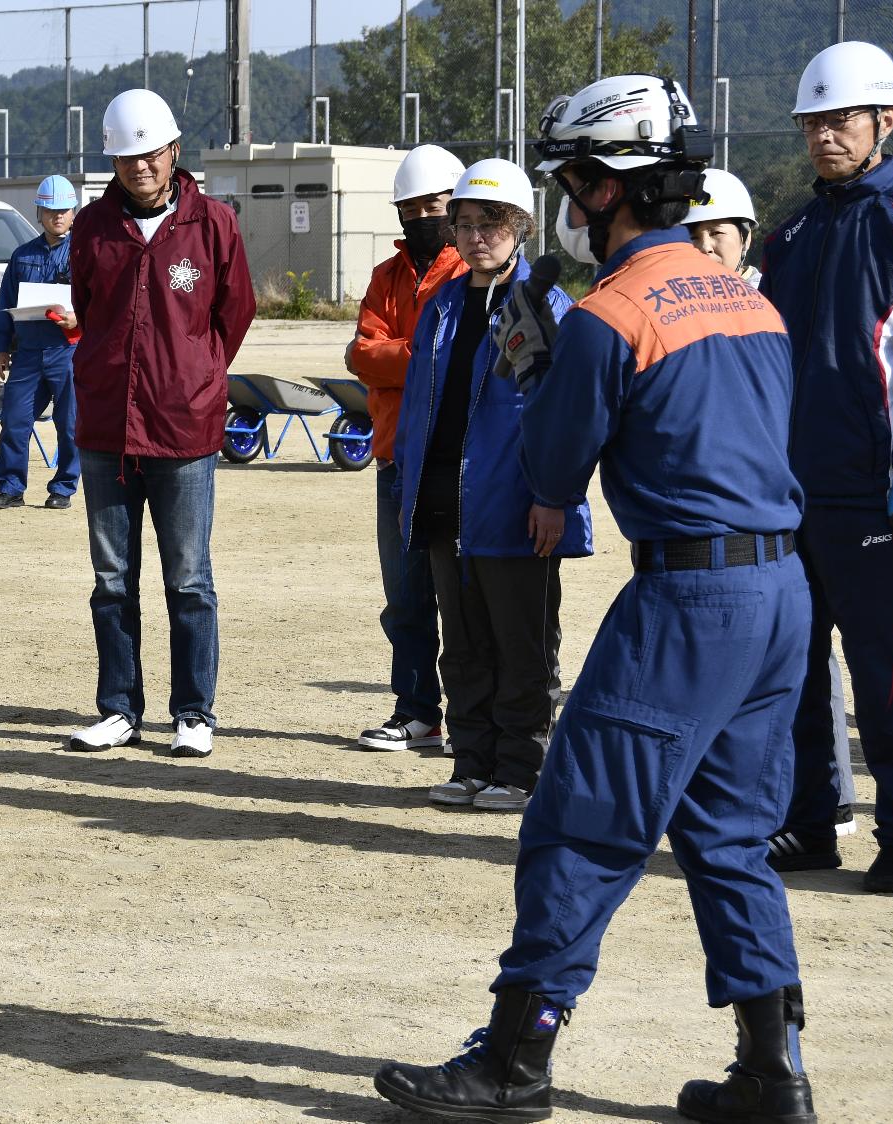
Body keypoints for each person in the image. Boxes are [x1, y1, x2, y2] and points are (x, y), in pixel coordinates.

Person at [375, 74, 818, 1123]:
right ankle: (771, 1066)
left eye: (573, 183)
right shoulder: (746, 294)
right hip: (778, 591)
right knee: (727, 838)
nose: (568, 206)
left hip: (687, 600)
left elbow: (549, 471)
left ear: (603, 186)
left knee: (576, 823)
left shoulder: (605, 314)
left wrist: (530, 374)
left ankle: (513, 1059)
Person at [63, 88, 254, 759]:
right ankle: (119, 709)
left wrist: (194, 374)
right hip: (107, 429)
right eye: (126, 156)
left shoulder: (214, 225)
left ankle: (193, 713)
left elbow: (236, 311)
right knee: (111, 580)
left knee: (189, 580)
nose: (139, 166)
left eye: (151, 153)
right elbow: (86, 308)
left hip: (184, 431)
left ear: (174, 151)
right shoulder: (90, 227)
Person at [392, 160, 588, 813]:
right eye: (467, 224)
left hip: (515, 506)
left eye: (493, 223)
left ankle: (522, 767)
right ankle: (471, 761)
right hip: (449, 503)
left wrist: (554, 500)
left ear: (522, 227)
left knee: (522, 646)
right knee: (464, 645)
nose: (478, 236)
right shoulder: (442, 304)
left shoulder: (546, 305)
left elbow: (564, 419)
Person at [759, 40, 893, 892]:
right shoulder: (791, 236)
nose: (825, 134)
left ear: (884, 120)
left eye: (841, 118)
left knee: (889, 671)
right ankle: (807, 825)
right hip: (790, 493)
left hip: (876, 492)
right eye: (813, 121)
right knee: (792, 668)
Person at [688, 169, 863, 841]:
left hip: (810, 492)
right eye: (694, 233)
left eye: (718, 233)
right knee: (788, 658)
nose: (707, 247)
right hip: (749, 503)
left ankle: (836, 798)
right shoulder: (690, 311)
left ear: (746, 238)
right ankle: (802, 806)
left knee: (825, 657)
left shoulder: (768, 302)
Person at [348, 144, 469, 753]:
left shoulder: (469, 270)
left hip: (453, 463)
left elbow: (457, 364)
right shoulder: (386, 276)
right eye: (411, 206)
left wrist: (399, 356)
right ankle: (418, 711)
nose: (422, 215)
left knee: (463, 596)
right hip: (395, 459)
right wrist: (420, 357)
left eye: (433, 204)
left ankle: (472, 719)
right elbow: (359, 354)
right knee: (405, 600)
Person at [0, 174, 82, 510]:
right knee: (14, 419)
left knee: (69, 424)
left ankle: (63, 488)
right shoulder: (22, 256)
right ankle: (11, 488)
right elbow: (4, 303)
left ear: (74, 212)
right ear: (39, 212)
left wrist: (80, 319)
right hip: (27, 353)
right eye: (51, 210)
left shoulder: (86, 254)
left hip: (68, 352)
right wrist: (1, 347)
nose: (58, 216)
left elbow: (103, 300)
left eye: (64, 210)